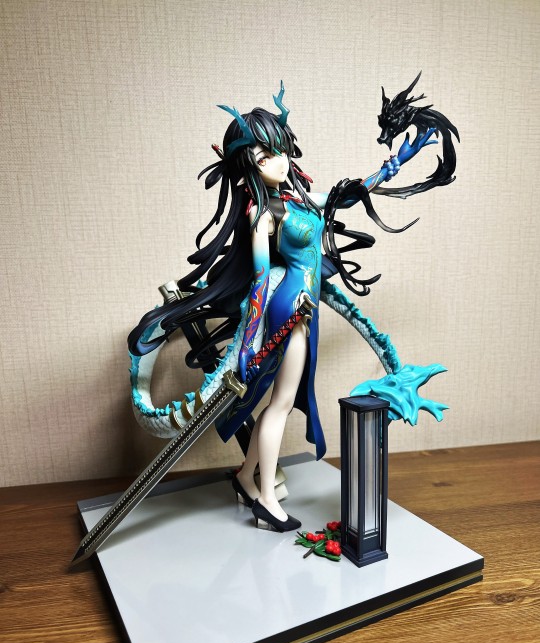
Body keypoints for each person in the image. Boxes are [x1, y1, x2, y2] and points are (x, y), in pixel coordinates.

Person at [128, 84, 421, 533]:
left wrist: (390, 167)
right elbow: (260, 279)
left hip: (305, 305)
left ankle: (247, 477)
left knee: (284, 399)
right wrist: (250, 340)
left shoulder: (298, 198)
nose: (278, 162)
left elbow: (343, 197)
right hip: (290, 309)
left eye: (280, 150)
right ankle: (266, 498)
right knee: (280, 403)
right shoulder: (263, 215)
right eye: (264, 157)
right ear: (247, 166)